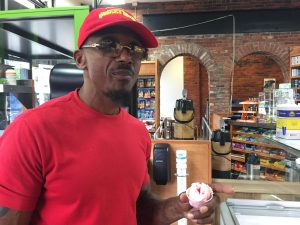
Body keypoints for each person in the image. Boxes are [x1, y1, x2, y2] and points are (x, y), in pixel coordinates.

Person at [0, 7, 234, 225]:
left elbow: (137, 207)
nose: (125, 56)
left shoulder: (137, 132)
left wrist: (180, 207)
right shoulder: (32, 130)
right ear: (80, 59)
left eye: (135, 48)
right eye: (108, 44)